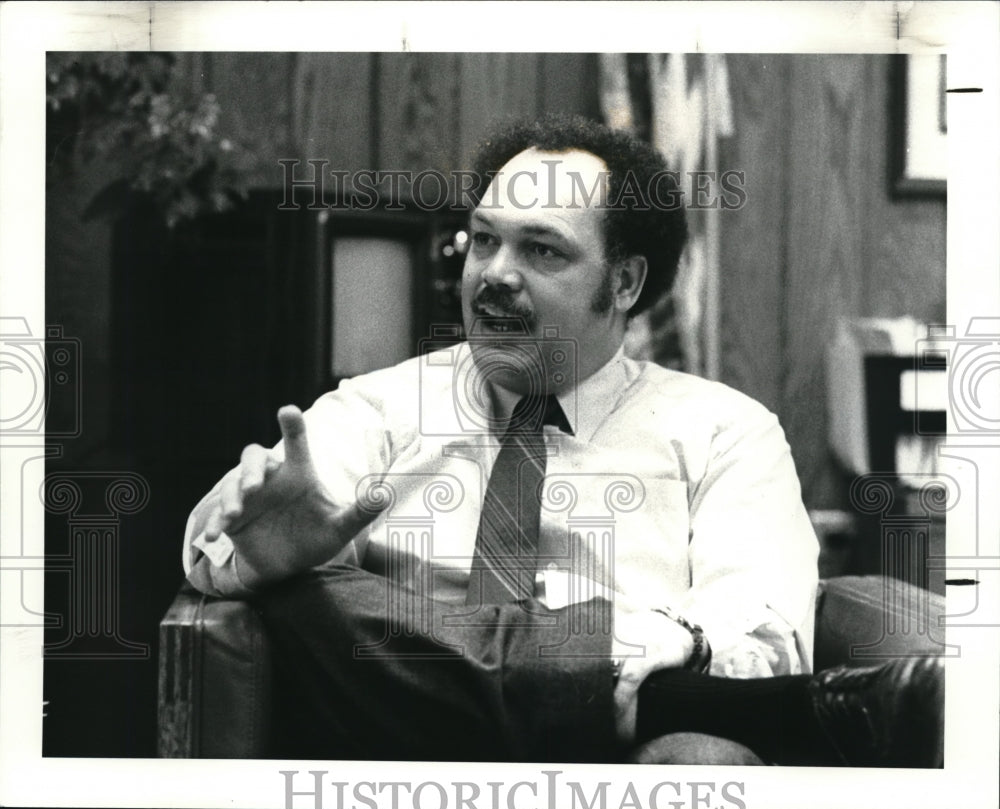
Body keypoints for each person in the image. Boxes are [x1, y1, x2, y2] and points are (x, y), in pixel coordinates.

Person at [182, 115, 943, 766]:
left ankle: (628, 698)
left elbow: (766, 637)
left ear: (624, 283)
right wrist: (250, 557)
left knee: (701, 746)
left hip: (621, 771)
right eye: (483, 241)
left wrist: (688, 645)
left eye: (542, 250)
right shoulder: (381, 405)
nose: (494, 276)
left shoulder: (724, 431)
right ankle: (626, 695)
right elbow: (223, 538)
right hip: (403, 743)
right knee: (309, 600)